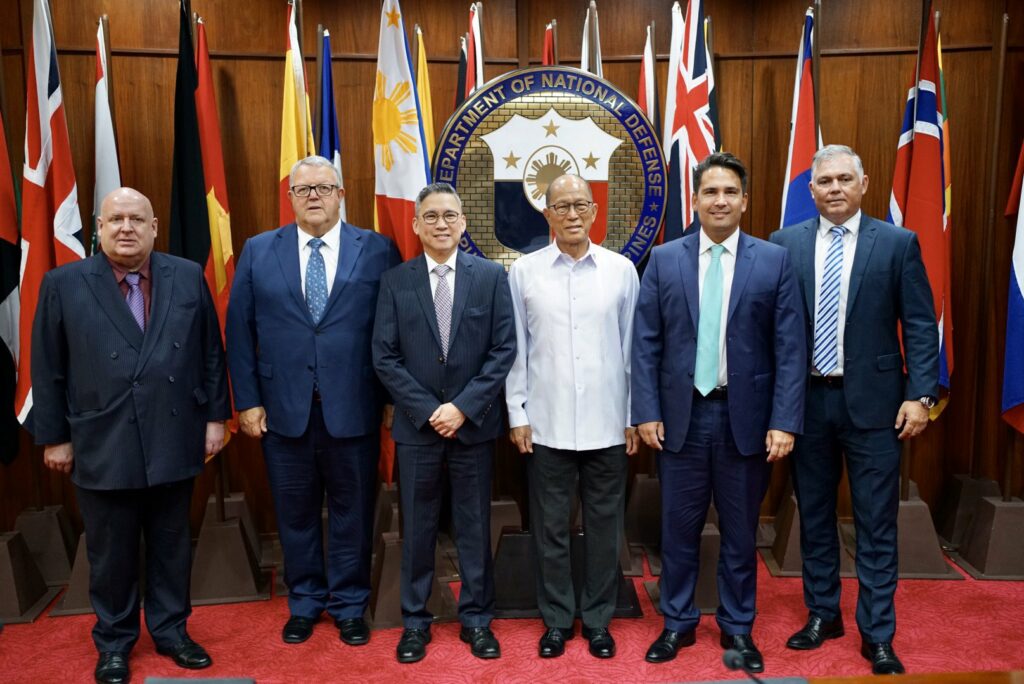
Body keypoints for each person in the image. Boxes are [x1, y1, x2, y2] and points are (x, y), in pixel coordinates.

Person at [31, 187, 230, 684]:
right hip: (103, 440)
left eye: (136, 220)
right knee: (111, 553)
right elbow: (48, 367)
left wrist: (214, 419)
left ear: (155, 227)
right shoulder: (64, 283)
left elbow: (210, 353)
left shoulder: (185, 276)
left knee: (171, 546)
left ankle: (172, 633)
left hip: (174, 434)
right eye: (115, 219)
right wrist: (55, 437)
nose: (126, 228)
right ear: (98, 229)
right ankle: (115, 643)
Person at [632, 152, 806, 673]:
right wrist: (645, 411)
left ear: (744, 200)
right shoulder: (664, 259)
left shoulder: (773, 260)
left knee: (739, 532)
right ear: (697, 199)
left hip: (745, 419)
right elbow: (644, 344)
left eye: (730, 192)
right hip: (680, 420)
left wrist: (784, 420)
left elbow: (790, 347)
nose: (720, 200)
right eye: (710, 192)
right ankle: (677, 624)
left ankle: (737, 627)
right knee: (677, 531)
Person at [770, 144, 938, 675]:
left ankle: (878, 633)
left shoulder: (897, 243)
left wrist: (921, 394)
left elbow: (918, 323)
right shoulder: (783, 244)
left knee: (875, 522)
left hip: (876, 406)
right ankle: (824, 613)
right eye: (825, 181)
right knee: (813, 517)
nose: (835, 188)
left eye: (845, 179)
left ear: (864, 183)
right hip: (807, 402)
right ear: (812, 190)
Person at [226, 156, 401, 647]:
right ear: (291, 198)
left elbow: (390, 330)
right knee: (295, 512)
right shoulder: (260, 250)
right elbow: (240, 331)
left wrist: (388, 399)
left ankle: (348, 604)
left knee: (353, 511)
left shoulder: (377, 249)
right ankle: (304, 601)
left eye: (324, 187)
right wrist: (249, 401)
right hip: (282, 409)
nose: (313, 197)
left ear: (341, 194)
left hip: (355, 406)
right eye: (303, 190)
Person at [372, 182, 516, 663]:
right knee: (418, 527)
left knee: (474, 525)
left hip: (473, 427)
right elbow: (385, 357)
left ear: (463, 222)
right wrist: (430, 410)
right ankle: (416, 620)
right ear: (416, 225)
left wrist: (462, 408)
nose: (440, 224)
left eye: (449, 215)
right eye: (430, 216)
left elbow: (502, 351)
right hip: (418, 429)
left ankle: (477, 619)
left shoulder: (492, 276)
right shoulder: (395, 281)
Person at [505, 173, 639, 660]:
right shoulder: (523, 273)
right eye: (561, 207)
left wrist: (632, 415)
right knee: (551, 530)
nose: (573, 214)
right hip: (546, 426)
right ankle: (558, 620)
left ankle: (599, 621)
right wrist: (516, 413)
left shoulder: (622, 270)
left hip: (608, 426)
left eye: (581, 204)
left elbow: (632, 352)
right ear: (548, 215)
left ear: (595, 210)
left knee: (605, 532)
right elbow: (515, 349)